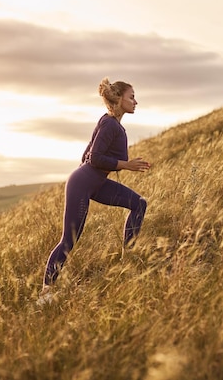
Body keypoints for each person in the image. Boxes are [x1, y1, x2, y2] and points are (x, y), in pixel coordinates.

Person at [38, 77, 150, 304]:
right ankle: (46, 292)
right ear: (119, 99)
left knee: (139, 203)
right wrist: (125, 165)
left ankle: (128, 256)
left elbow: (88, 154)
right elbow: (95, 157)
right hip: (83, 182)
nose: (136, 102)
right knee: (69, 239)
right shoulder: (109, 123)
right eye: (131, 97)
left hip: (93, 181)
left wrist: (100, 173)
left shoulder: (111, 123)